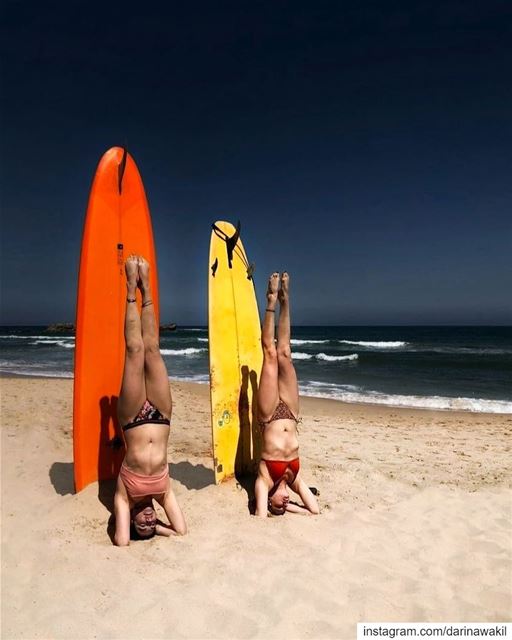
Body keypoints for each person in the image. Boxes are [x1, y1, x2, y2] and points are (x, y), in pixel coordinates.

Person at [114, 255, 187, 545]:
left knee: (134, 350)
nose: (147, 521)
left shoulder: (125, 495)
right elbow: (181, 529)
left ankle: (131, 289)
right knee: (153, 349)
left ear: (131, 518)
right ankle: (148, 292)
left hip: (132, 420)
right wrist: (160, 527)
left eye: (141, 525)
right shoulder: (163, 493)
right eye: (150, 524)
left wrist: (132, 523)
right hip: (161, 415)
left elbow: (121, 541)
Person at [255, 272, 320, 517]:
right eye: (284, 506)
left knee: (270, 355)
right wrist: (293, 506)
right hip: (291, 413)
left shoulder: (265, 482)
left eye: (277, 506)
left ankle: (271, 301)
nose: (281, 505)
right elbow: (313, 510)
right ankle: (286, 300)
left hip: (270, 415)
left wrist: (269, 508)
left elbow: (261, 515)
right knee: (285, 353)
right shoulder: (294, 480)